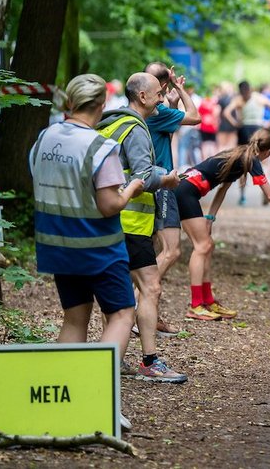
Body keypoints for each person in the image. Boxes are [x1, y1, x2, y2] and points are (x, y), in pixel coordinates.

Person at [29, 74, 143, 369]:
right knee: (121, 314)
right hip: (99, 249)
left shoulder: (44, 138)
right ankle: (95, 392)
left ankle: (66, 390)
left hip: (57, 245)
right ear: (102, 105)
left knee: (74, 318)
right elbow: (109, 206)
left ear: (70, 101)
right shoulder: (101, 148)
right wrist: (131, 188)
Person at [97, 72, 186, 383]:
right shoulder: (135, 128)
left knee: (117, 292)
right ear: (143, 97)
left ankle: (113, 359)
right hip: (131, 223)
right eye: (158, 94)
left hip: (107, 220)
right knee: (151, 287)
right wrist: (167, 178)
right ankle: (149, 361)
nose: (162, 99)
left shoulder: (111, 124)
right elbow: (142, 176)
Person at [176, 128, 270, 320]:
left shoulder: (240, 154)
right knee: (202, 246)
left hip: (187, 189)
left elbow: (222, 188)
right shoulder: (251, 160)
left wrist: (210, 218)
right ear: (268, 151)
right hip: (185, 192)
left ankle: (208, 301)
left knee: (208, 245)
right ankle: (196, 305)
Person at [144, 63, 200, 330]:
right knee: (171, 251)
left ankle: (150, 313)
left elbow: (167, 130)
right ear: (162, 86)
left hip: (148, 183)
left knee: (155, 251)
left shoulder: (146, 111)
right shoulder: (157, 112)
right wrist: (181, 90)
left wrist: (172, 100)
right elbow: (195, 117)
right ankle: (138, 306)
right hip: (163, 184)